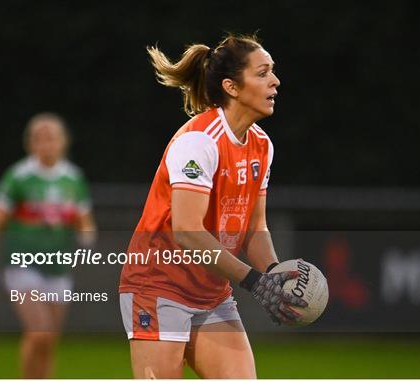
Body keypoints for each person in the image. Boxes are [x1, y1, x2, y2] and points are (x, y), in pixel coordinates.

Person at [119, 34, 307, 379]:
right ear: (232, 87)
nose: (276, 81)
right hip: (158, 285)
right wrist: (253, 281)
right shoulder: (199, 142)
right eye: (263, 72)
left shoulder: (261, 146)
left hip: (211, 293)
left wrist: (275, 277)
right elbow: (188, 233)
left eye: (273, 72)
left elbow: (254, 228)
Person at [0, 113, 96, 378]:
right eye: (39, 138)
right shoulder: (18, 177)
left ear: (64, 141)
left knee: (49, 340)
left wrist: (87, 244)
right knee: (40, 332)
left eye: (51, 137)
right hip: (23, 266)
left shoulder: (73, 179)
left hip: (58, 268)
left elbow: (85, 223)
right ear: (30, 143)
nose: (46, 143)